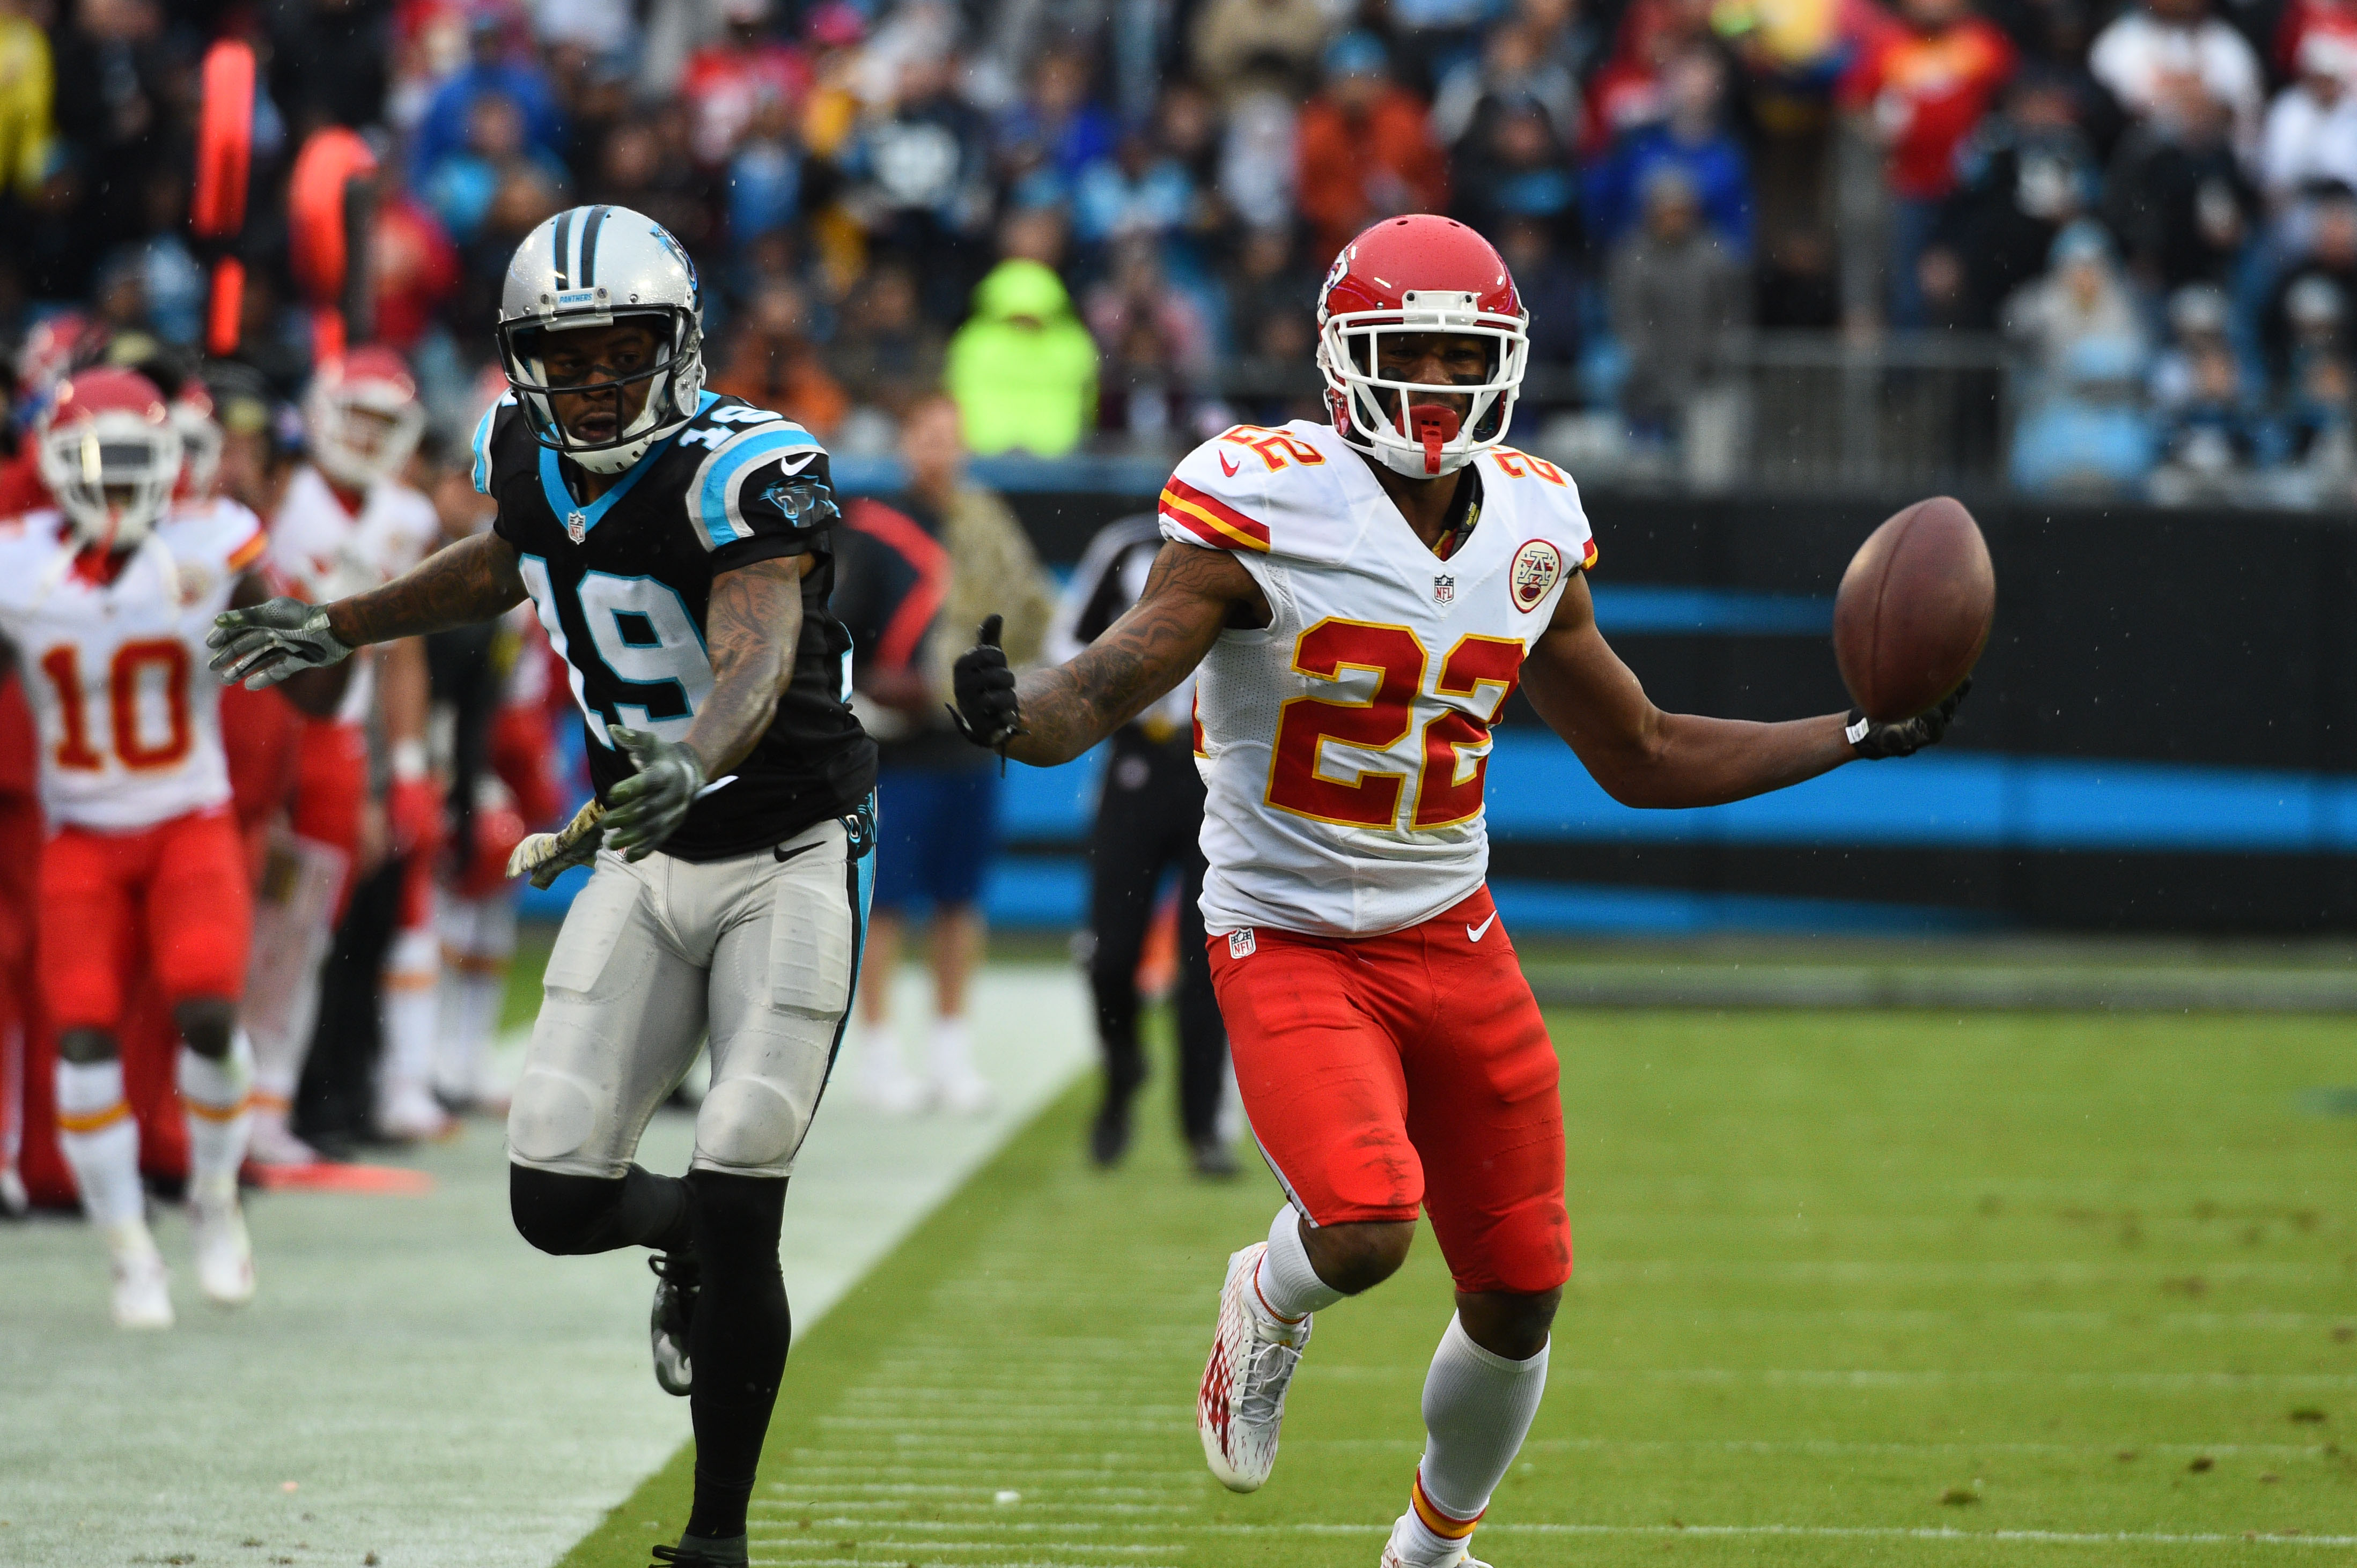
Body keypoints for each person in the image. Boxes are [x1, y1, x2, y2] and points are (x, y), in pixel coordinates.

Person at [946, 215, 1965, 1568]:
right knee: (1365, 1221)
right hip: (1287, 931)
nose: (1430, 382)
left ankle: (1430, 1549)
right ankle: (1268, 1289)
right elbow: (1102, 684)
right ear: (1338, 360)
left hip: (1451, 931)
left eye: (1456, 354)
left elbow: (1641, 751)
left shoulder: (1536, 518)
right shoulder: (1262, 500)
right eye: (1402, 352)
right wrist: (1010, 710)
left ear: (1506, 363)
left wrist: (1845, 735)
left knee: (1520, 1282)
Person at [208, 204, 877, 1568]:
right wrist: (340, 622)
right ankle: (683, 1232)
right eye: (560, 358)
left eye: (618, 349)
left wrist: (691, 759)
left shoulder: (747, 468)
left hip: (789, 842)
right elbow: (512, 563)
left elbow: (754, 655)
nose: (590, 382)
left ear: (677, 343)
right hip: (643, 848)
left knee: (747, 1159)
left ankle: (716, 1533)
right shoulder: (523, 453)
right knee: (554, 1194)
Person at [0, 367, 340, 1326]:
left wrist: (322, 641)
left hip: (186, 816)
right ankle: (127, 1252)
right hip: (81, 832)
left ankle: (212, 1197)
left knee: (205, 1003)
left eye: (133, 464)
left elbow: (305, 683)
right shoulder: (16, 562)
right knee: (81, 1025)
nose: (114, 486)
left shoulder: (215, 545)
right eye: (95, 466)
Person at [835, 394, 1054, 1114]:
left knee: (961, 902)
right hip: (895, 750)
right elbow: (838, 632)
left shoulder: (983, 521)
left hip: (966, 740)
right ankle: (877, 1054)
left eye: (950, 436)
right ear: (905, 443)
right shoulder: (873, 528)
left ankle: (952, 1053)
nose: (939, 448)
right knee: (887, 902)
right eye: (925, 435)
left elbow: (1027, 613)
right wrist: (873, 688)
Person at [248, 347, 443, 1156]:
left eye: (382, 421)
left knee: (306, 926)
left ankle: (267, 1104)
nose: (365, 434)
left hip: (338, 738)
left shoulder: (408, 518)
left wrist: (404, 768)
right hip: (257, 727)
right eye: (354, 414)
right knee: (248, 916)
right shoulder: (277, 498)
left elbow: (403, 654)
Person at [1050, 512, 1233, 1176]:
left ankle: (1202, 1125)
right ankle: (1120, 1070)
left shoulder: (1266, 548)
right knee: (1109, 952)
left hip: (1222, 773)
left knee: (1208, 962)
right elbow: (1065, 639)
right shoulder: (1126, 544)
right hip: (1138, 764)